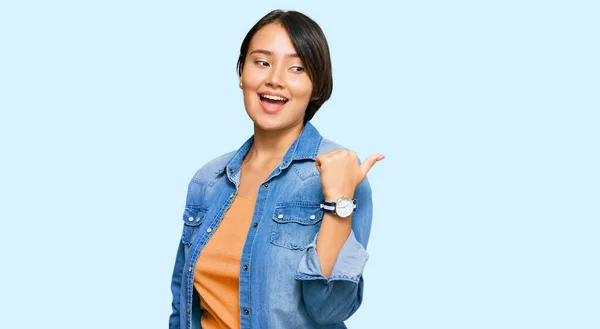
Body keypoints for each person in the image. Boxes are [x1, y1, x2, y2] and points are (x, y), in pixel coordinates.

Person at [169, 9, 384, 329]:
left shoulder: (342, 175)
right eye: (262, 62)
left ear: (317, 85)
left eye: (296, 68)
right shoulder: (208, 180)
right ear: (242, 72)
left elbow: (330, 310)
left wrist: (338, 202)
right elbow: (182, 303)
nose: (275, 79)